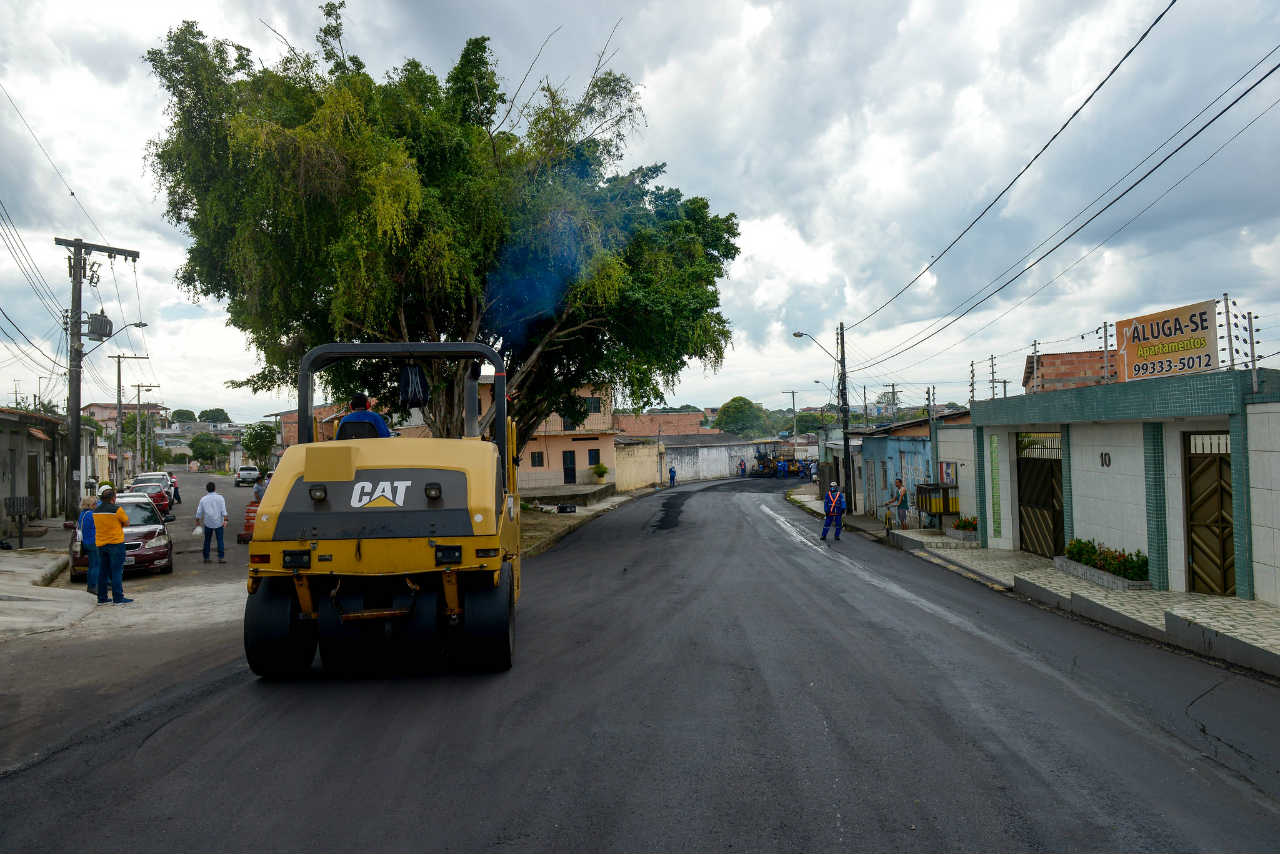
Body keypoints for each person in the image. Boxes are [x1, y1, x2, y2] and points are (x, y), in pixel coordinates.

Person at [92, 485, 133, 605]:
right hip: (115, 543)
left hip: (101, 543)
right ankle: (118, 598)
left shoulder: (95, 511)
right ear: (113, 498)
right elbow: (126, 523)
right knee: (116, 571)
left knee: (103, 571)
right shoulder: (117, 509)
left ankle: (102, 598)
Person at [195, 481, 229, 564]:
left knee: (207, 540)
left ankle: (206, 558)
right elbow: (224, 511)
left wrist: (197, 521)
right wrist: (225, 520)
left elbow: (199, 512)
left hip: (208, 523)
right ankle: (221, 558)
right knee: (220, 540)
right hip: (219, 523)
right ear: (215, 488)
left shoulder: (203, 499)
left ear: (206, 489)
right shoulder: (220, 498)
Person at [77, 496, 99, 594]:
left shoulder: (82, 514)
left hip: (86, 542)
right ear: (90, 505)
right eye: (94, 504)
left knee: (91, 565)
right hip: (93, 542)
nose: (96, 506)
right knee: (96, 565)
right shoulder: (91, 515)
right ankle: (93, 586)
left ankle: (90, 585)